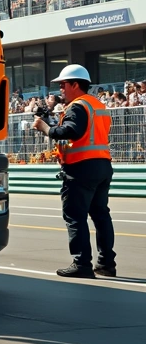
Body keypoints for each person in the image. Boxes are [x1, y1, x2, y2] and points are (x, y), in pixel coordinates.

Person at [32, 64, 116, 278]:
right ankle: (106, 264)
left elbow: (72, 132)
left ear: (75, 85)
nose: (60, 89)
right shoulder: (97, 105)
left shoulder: (77, 106)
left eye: (63, 85)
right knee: (101, 215)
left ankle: (82, 264)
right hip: (102, 165)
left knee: (75, 216)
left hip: (81, 168)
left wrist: (46, 129)